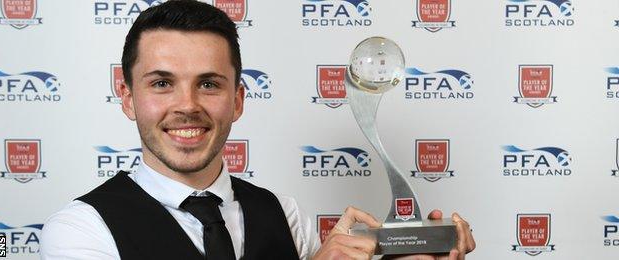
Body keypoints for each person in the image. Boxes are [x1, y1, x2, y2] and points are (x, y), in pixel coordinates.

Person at [40, 1, 475, 259]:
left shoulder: (284, 216)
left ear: (239, 99)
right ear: (127, 95)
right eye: (162, 83)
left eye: (209, 84)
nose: (187, 105)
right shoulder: (81, 230)